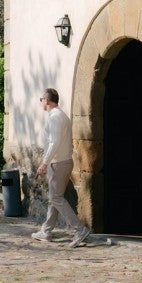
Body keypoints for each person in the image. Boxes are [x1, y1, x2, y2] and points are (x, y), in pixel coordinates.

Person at [33, 87, 90, 246]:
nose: (41, 102)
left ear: (47, 100)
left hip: (58, 163)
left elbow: (54, 142)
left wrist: (44, 163)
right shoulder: (61, 115)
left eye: (42, 99)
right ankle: (46, 231)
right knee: (55, 197)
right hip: (62, 162)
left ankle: (80, 230)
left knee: (56, 198)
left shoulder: (55, 117)